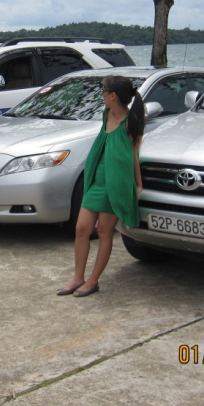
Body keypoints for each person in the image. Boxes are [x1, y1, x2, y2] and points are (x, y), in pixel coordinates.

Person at [56, 75, 145, 297]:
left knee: (105, 232)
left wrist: (138, 184)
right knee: (81, 229)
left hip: (115, 182)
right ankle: (78, 277)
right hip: (97, 178)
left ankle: (93, 281)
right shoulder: (107, 115)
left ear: (112, 95)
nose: (102, 95)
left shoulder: (131, 121)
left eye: (104, 91)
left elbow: (134, 155)